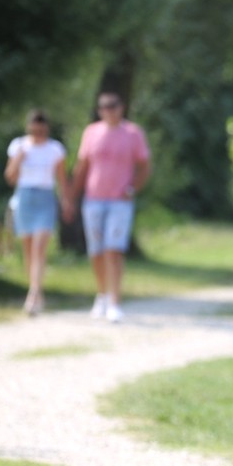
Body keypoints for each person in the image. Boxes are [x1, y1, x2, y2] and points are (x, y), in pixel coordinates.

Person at [68, 92, 151, 324]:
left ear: (121, 108)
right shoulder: (91, 132)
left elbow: (144, 166)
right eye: (104, 107)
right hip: (93, 199)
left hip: (119, 201)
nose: (109, 110)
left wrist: (132, 189)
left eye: (113, 106)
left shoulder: (133, 133)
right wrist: (70, 197)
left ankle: (115, 302)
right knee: (96, 251)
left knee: (113, 249)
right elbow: (82, 167)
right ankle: (102, 294)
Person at [4, 109, 69, 316]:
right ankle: (37, 292)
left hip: (45, 197)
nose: (38, 133)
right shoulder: (18, 146)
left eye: (41, 130)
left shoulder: (55, 149)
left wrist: (66, 201)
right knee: (28, 248)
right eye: (35, 130)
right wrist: (18, 159)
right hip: (24, 197)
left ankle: (33, 294)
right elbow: (10, 177)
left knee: (40, 247)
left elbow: (61, 179)